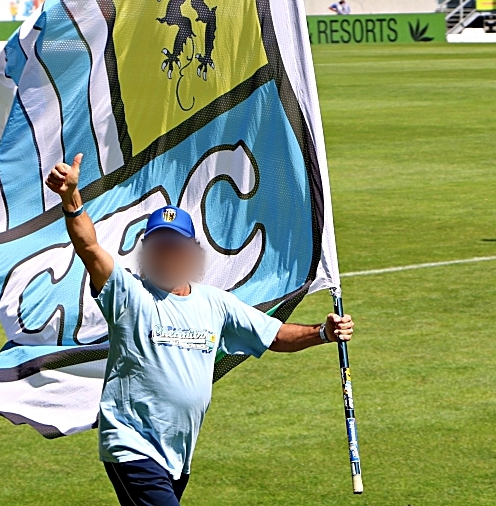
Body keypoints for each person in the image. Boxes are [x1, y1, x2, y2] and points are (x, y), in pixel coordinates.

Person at [45, 154, 355, 506]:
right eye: (158, 246)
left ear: (191, 253)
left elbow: (274, 336)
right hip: (132, 445)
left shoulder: (215, 303)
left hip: (178, 452)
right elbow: (89, 247)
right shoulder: (128, 295)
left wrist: (323, 333)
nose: (167, 254)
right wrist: (71, 198)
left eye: (174, 246)